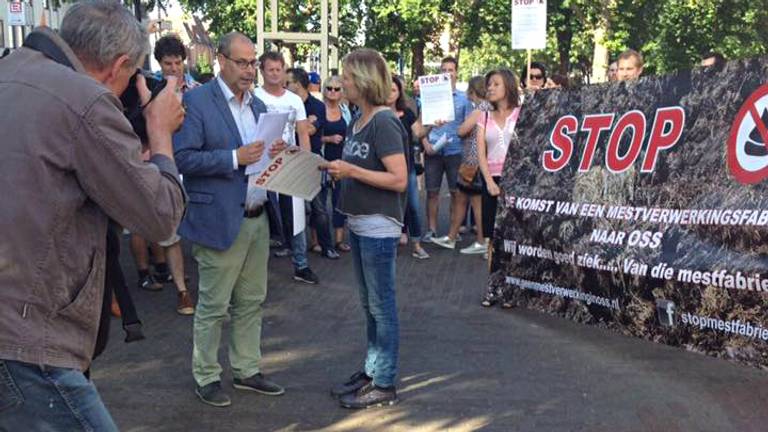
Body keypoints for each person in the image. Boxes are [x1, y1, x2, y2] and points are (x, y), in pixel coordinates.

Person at [0, 1, 186, 429]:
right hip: (29, 341)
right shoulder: (85, 100)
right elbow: (160, 217)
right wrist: (160, 134)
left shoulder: (11, 72)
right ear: (119, 66)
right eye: (130, 76)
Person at [174, 32, 287, 407]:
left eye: (252, 62)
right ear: (220, 61)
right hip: (219, 218)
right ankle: (206, 375)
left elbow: (260, 159)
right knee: (213, 305)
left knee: (252, 300)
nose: (249, 70)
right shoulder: (197, 101)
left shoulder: (256, 106)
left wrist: (275, 153)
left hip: (257, 216)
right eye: (242, 62)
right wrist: (233, 158)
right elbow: (183, 158)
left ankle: (246, 369)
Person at [322, 48, 408, 409]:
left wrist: (352, 171)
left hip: (377, 227)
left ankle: (384, 381)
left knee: (381, 307)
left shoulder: (383, 122)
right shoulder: (358, 118)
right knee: (370, 305)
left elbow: (400, 179)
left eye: (346, 75)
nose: (341, 81)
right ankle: (372, 371)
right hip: (360, 223)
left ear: (363, 79)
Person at [255, 52, 320, 284]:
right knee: (260, 215)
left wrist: (306, 164)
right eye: (270, 69)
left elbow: (303, 133)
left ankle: (301, 265)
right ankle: (256, 270)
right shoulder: (254, 97)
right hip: (260, 165)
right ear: (261, 71)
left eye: (278, 69)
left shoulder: (294, 100)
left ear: (284, 71)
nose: (274, 74)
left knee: (297, 215)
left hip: (289, 164)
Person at [476, 69, 521, 307]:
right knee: (493, 238)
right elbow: (481, 155)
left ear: (508, 87)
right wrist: (490, 182)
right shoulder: (484, 117)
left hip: (515, 182)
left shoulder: (520, 114)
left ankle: (511, 288)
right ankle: (493, 285)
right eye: (489, 84)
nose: (490, 88)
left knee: (512, 237)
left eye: (496, 84)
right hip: (492, 181)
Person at [432, 75, 490, 255]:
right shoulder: (488, 107)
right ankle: (451, 236)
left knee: (476, 202)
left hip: (473, 162)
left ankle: (482, 240)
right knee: (461, 199)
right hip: (471, 161)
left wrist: (458, 128)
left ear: (473, 91)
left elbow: (462, 130)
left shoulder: (481, 108)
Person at [286, 67, 339, 259]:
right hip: (289, 160)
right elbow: (304, 128)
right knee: (290, 206)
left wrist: (293, 124)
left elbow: (309, 131)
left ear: (298, 84)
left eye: (288, 82)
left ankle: (327, 246)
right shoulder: (286, 102)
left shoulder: (317, 106)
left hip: (312, 162)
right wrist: (302, 124)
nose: (284, 86)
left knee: (319, 207)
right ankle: (290, 246)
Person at [421, 56, 474, 243]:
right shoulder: (429, 96)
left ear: (456, 73)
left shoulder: (464, 99)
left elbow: (468, 125)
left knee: (455, 192)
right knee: (432, 191)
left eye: (450, 70)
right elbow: (421, 124)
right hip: (433, 149)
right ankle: (432, 230)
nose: (447, 73)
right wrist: (425, 143)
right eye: (443, 70)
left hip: (455, 150)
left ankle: (454, 230)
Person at [389, 74, 429, 259]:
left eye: (394, 90)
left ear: (399, 93)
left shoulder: (407, 113)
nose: (390, 94)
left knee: (412, 206)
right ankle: (389, 243)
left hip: (408, 167)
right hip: (384, 169)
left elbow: (419, 132)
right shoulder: (377, 113)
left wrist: (433, 125)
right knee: (388, 207)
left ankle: (416, 244)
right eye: (387, 89)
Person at [321, 75, 352, 251]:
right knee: (320, 201)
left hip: (342, 161)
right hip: (323, 160)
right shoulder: (319, 109)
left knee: (340, 200)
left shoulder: (345, 110)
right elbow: (312, 136)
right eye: (329, 88)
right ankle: (317, 240)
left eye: (337, 89)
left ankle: (339, 239)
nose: (333, 92)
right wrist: (328, 138)